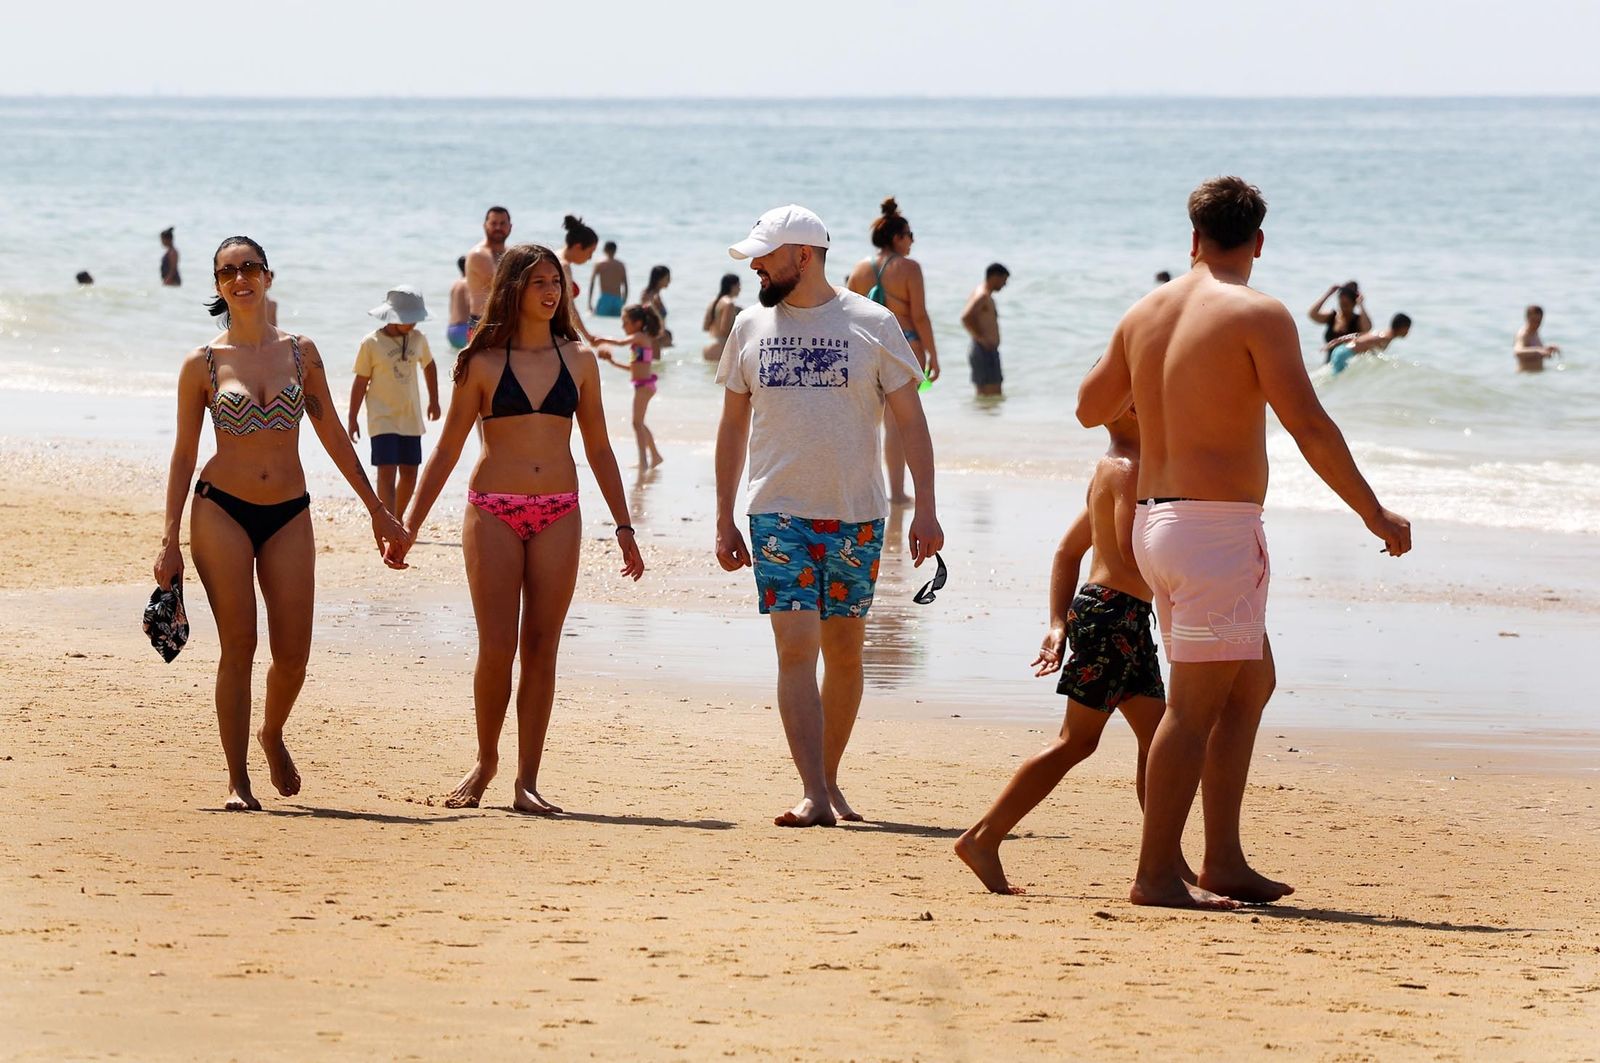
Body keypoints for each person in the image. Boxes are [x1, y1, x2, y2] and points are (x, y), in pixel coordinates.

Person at [1076, 176, 1412, 909]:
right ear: (1258, 241)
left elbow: (1089, 407)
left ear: (1191, 238)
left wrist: (1162, 384)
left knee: (1249, 682)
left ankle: (1223, 857)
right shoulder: (1258, 313)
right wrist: (1373, 511)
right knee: (1192, 707)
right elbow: (1310, 426)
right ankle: (1156, 873)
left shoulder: (1145, 312)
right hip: (1215, 533)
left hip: (1157, 526)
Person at [384, 243, 643, 814]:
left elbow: (598, 447)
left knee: (542, 648)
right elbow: (448, 448)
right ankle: (486, 761)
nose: (552, 292)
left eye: (557, 281)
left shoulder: (579, 361)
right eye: (538, 282)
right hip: (493, 510)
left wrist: (624, 526)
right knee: (497, 647)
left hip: (559, 511)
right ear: (512, 289)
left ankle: (527, 780)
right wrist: (408, 526)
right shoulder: (481, 363)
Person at [153, 236, 407, 811]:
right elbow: (183, 455)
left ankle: (272, 733)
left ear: (269, 276)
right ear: (217, 286)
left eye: (249, 268)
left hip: (290, 511)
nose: (239, 279)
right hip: (221, 508)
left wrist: (377, 509)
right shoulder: (204, 363)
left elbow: (333, 437)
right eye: (227, 272)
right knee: (238, 644)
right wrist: (168, 538)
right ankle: (237, 781)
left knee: (293, 651)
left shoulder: (301, 353)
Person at [715, 204, 945, 828]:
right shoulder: (748, 326)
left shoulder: (872, 323)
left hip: (856, 515)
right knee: (796, 647)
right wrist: (722, 516)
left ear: (803, 255)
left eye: (765, 256)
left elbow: (911, 420)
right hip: (776, 511)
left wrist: (926, 507)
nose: (756, 266)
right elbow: (732, 427)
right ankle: (815, 791)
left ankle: (828, 780)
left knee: (845, 652)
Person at [956, 409, 1181, 894]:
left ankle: (1166, 857)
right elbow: (1129, 549)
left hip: (1114, 615)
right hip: (1113, 615)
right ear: (1137, 409)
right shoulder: (1132, 470)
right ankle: (983, 837)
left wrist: (1059, 624)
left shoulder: (1111, 466)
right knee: (1077, 741)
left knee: (1160, 737)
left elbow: (1068, 551)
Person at [846, 197, 941, 505]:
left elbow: (847, 313)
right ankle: (897, 492)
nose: (912, 241)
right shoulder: (909, 268)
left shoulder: (860, 269)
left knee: (865, 420)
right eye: (909, 235)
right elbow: (920, 315)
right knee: (899, 423)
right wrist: (933, 355)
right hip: (905, 346)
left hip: (867, 348)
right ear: (897, 237)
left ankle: (865, 486)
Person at [347, 286, 442, 520]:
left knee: (410, 473)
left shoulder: (418, 339)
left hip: (410, 417)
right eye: (409, 320)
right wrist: (352, 418)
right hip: (382, 418)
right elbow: (360, 381)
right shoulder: (371, 343)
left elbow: (429, 366)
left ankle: (397, 519)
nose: (413, 324)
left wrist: (435, 400)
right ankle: (387, 520)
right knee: (386, 472)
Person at [593, 304, 665, 468]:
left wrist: (602, 339)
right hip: (643, 385)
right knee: (639, 423)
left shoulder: (640, 336)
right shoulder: (639, 344)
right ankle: (655, 456)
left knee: (637, 423)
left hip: (645, 386)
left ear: (638, 323)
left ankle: (643, 461)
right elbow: (634, 368)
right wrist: (612, 362)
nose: (623, 326)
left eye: (625, 322)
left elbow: (619, 343)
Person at [960, 263, 1009, 396]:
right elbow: (966, 317)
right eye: (1004, 280)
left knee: (988, 395)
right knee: (991, 393)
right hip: (984, 350)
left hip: (985, 350)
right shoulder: (982, 295)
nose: (1004, 285)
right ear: (995, 277)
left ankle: (984, 416)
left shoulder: (981, 293)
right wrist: (981, 338)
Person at [465, 206, 512, 331]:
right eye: (494, 223)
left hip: (505, 321)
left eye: (502, 223)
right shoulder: (479, 254)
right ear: (485, 225)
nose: (498, 228)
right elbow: (500, 285)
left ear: (510, 226)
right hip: (482, 322)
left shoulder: (509, 253)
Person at [559, 215, 601, 346]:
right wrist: (587, 336)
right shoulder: (564, 266)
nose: (590, 258)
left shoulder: (553, 255)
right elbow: (569, 306)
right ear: (578, 247)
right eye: (590, 252)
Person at [1323, 313, 1412, 375]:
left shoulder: (1382, 332)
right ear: (1402, 328)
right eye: (1408, 328)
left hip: (1342, 350)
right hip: (1344, 355)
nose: (1408, 331)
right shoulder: (1385, 337)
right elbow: (1361, 340)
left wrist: (1339, 340)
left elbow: (1359, 336)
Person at [1308, 281, 1371, 360]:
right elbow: (1312, 315)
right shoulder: (1332, 316)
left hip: (1351, 366)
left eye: (1347, 304)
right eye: (1341, 304)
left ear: (1354, 304)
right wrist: (1328, 294)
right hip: (1330, 365)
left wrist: (1361, 305)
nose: (1344, 307)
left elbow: (1367, 329)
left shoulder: (1358, 320)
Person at [701, 273, 742, 361]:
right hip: (720, 346)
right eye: (739, 286)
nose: (740, 289)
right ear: (733, 286)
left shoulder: (713, 302)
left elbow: (705, 327)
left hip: (709, 343)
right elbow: (725, 330)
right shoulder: (729, 303)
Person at [1514, 305, 1560, 372]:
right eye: (1533, 321)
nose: (1536, 324)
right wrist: (1538, 351)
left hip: (1536, 377)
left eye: (1538, 321)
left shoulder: (1535, 333)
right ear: (1527, 318)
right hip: (1525, 377)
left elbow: (1536, 352)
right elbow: (1517, 352)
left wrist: (1547, 349)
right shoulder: (1523, 334)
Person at [589, 240, 628, 318]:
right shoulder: (621, 265)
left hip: (605, 298)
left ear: (604, 249)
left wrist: (589, 302)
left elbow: (592, 283)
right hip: (617, 299)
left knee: (600, 322)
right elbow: (625, 285)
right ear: (615, 250)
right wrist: (623, 301)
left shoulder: (600, 264)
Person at [640, 265, 673, 348]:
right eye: (667, 278)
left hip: (658, 336)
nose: (669, 281)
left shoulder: (656, 294)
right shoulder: (648, 295)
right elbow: (646, 315)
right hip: (652, 337)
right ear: (659, 279)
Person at [447, 256, 471, 350]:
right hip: (464, 330)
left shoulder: (455, 285)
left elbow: (451, 308)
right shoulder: (468, 282)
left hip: (451, 330)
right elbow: (471, 303)